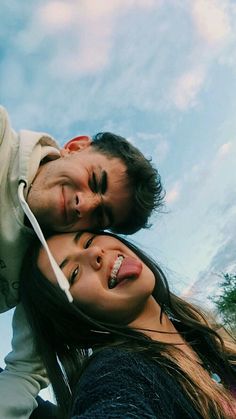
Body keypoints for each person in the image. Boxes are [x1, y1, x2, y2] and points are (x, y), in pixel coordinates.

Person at [0, 105, 163, 418]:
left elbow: (24, 372)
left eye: (99, 216)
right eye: (95, 180)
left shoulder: (48, 265)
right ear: (75, 147)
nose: (83, 204)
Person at [21, 231, 236, 419]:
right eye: (73, 274)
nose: (95, 251)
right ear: (72, 321)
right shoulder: (116, 372)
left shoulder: (199, 336)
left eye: (88, 241)